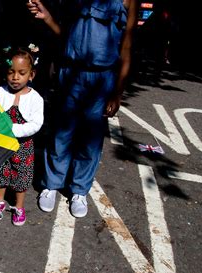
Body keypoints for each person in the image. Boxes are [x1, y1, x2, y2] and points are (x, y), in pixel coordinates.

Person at [27, 0, 138, 218]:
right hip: (70, 74)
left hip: (102, 79)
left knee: (90, 140)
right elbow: (66, 35)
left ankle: (79, 190)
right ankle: (51, 184)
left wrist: (117, 92)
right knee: (61, 133)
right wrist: (48, 18)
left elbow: (126, 48)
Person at [0, 47, 44, 226]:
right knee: (1, 173)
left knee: (22, 176)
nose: (15, 77)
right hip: (2, 145)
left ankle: (19, 206)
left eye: (21, 73)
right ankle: (0, 202)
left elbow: (36, 124)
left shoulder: (36, 98)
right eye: (11, 72)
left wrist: (14, 130)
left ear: (31, 74)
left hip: (23, 147)